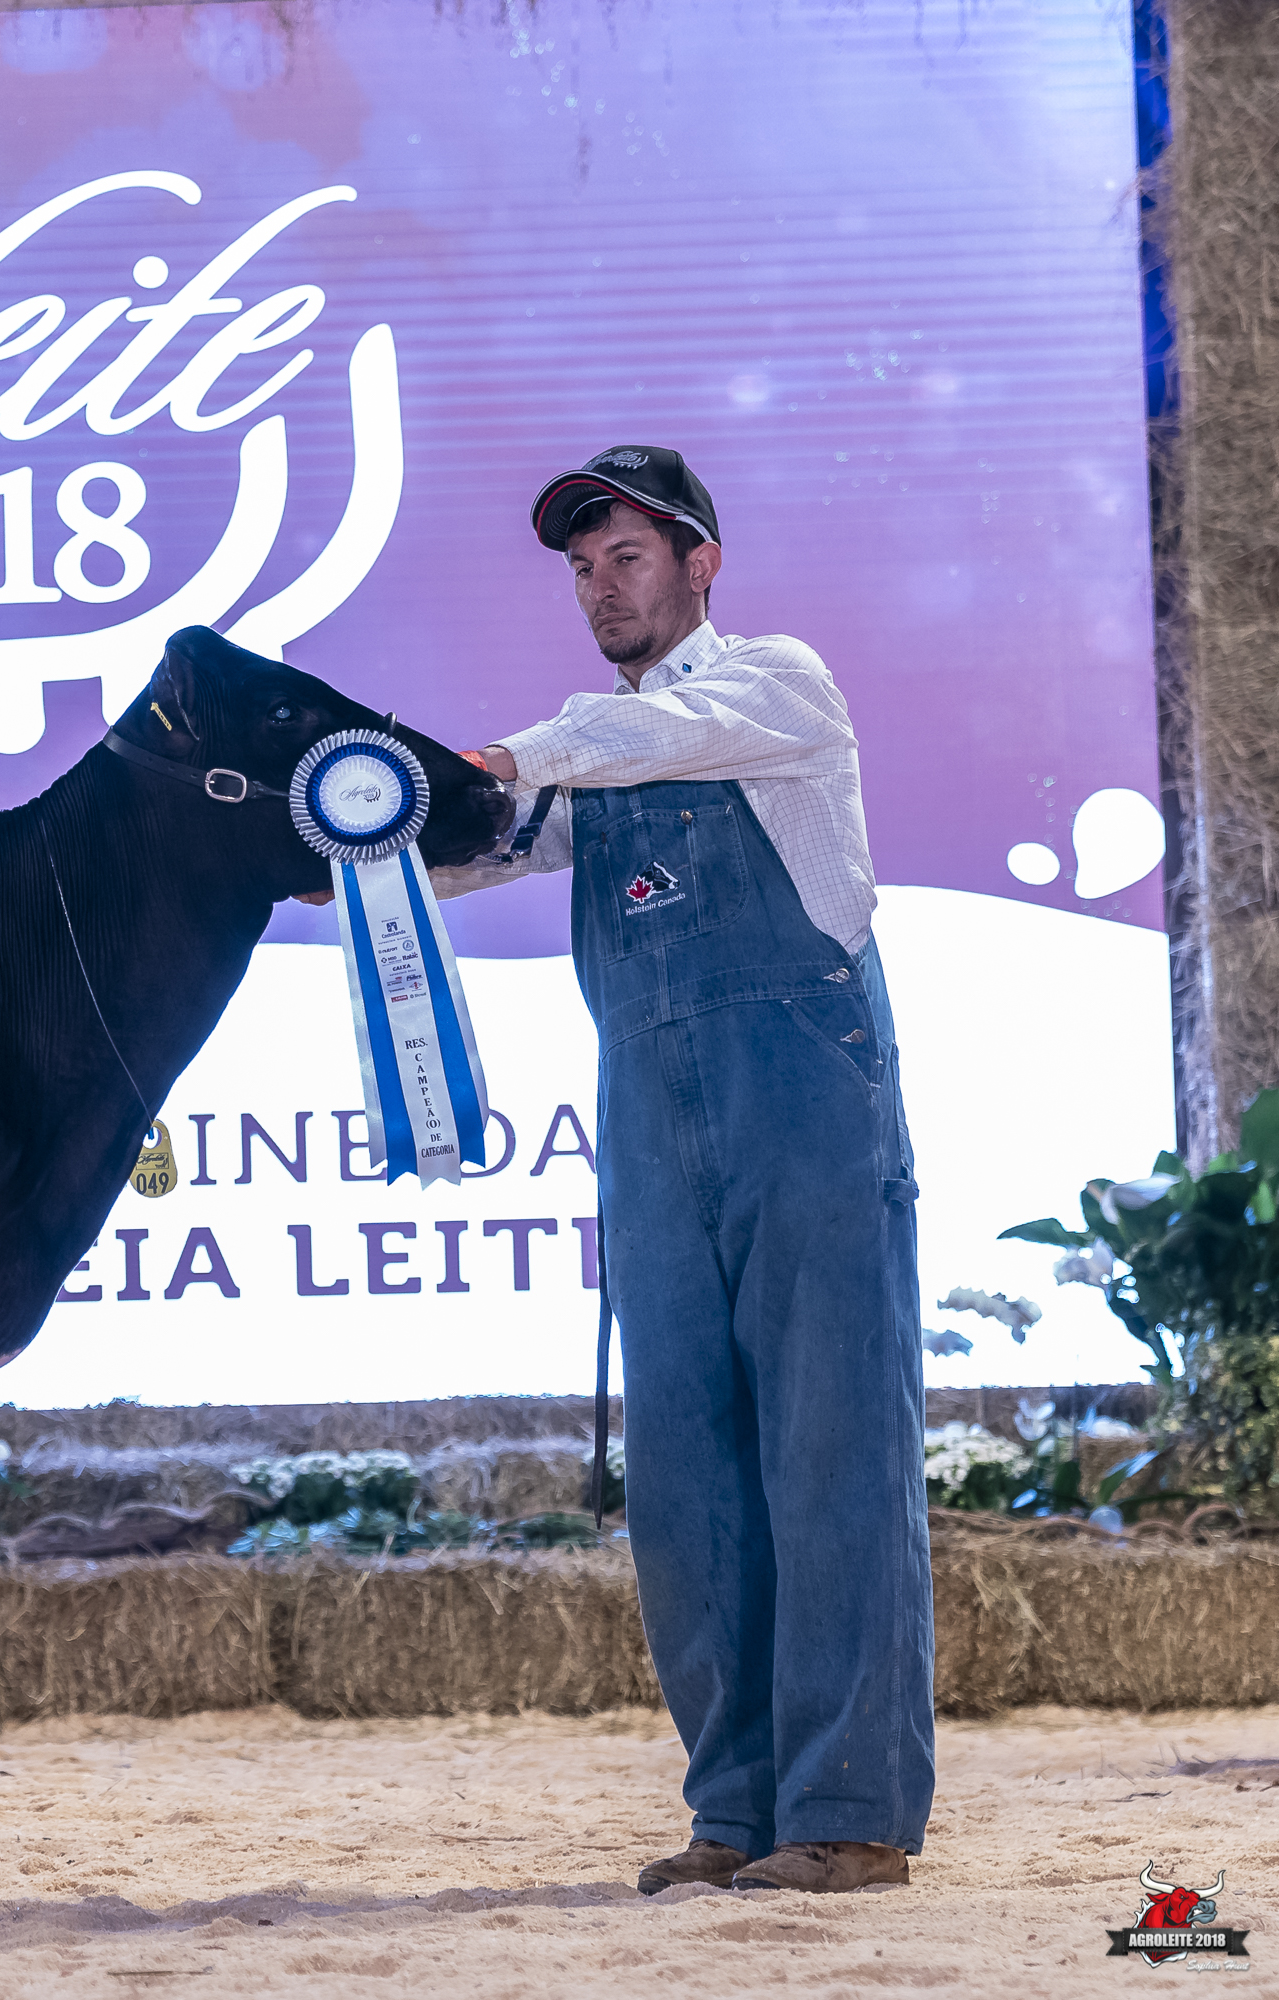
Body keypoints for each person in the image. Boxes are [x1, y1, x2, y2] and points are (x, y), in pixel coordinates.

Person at [431, 446, 934, 1894]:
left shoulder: (774, 686)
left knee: (833, 1444)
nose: (602, 588)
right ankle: (734, 1809)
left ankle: (849, 1812)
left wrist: (507, 757)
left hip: (806, 1105)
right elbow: (479, 845)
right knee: (683, 1471)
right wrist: (353, 840)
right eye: (583, 570)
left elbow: (625, 740)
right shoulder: (593, 762)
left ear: (700, 563)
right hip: (650, 1119)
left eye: (628, 558)